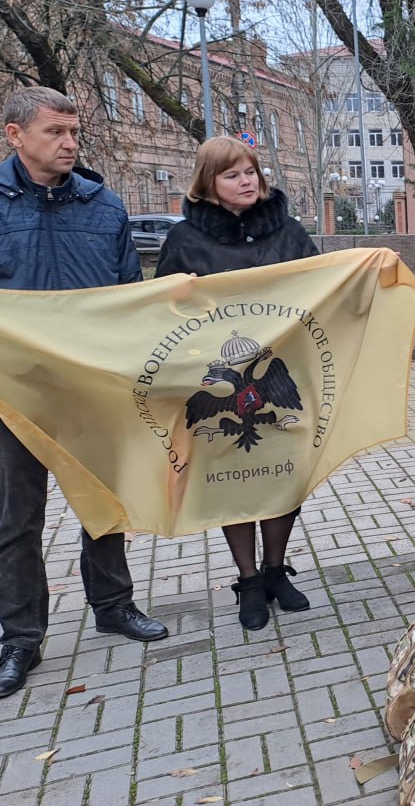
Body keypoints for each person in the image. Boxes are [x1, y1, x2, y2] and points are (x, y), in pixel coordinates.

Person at [0, 86, 168, 699]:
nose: (70, 143)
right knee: (16, 519)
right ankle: (20, 637)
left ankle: (113, 604)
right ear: (15, 135)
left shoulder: (104, 206)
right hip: (14, 393)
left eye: (74, 132)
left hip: (92, 387)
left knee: (104, 505)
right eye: (55, 132)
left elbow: (126, 295)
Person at [155, 136, 319, 630]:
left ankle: (275, 571)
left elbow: (321, 286)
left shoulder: (287, 230)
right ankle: (247, 580)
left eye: (251, 172)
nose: (246, 181)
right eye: (232, 175)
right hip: (217, 381)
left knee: (283, 475)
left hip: (279, 373)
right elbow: (163, 311)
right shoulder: (185, 240)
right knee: (233, 481)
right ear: (208, 183)